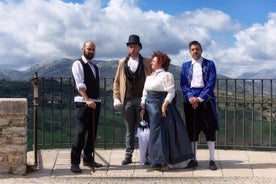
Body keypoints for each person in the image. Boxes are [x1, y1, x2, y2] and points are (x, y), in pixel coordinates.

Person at [140, 51, 194, 171]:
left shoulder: (167, 75)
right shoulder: (149, 77)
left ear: (161, 62)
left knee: (163, 133)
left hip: (161, 106)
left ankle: (165, 161)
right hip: (150, 107)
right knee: (153, 134)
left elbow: (171, 92)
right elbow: (144, 93)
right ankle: (155, 160)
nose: (151, 63)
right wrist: (142, 106)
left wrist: (164, 105)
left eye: (154, 61)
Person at [180, 40, 219, 171]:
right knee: (192, 130)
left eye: (197, 49)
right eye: (192, 49)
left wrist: (200, 98)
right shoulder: (185, 66)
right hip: (190, 101)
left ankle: (212, 160)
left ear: (201, 50)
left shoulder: (210, 64)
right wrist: (191, 97)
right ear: (189, 51)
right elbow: (183, 84)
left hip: (206, 100)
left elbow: (211, 83)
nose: (195, 51)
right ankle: (193, 159)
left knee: (209, 130)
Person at [113, 34, 152, 165]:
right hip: (128, 100)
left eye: (135, 46)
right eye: (130, 47)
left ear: (139, 48)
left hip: (143, 100)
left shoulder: (147, 62)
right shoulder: (122, 62)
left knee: (144, 128)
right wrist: (116, 97)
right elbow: (117, 81)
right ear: (128, 48)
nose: (132, 49)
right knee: (129, 129)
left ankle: (146, 155)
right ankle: (128, 155)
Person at [70, 40, 102, 173]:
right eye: (89, 49)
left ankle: (88, 159)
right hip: (83, 103)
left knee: (92, 133)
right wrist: (87, 99)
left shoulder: (95, 67)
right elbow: (80, 84)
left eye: (93, 49)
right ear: (83, 49)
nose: (91, 51)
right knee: (81, 132)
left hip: (95, 102)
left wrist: (95, 100)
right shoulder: (78, 64)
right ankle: (74, 162)